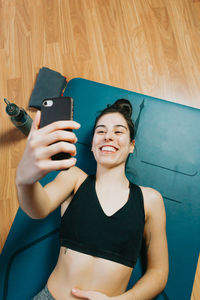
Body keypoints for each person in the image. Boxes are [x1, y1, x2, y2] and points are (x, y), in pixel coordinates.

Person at [16, 99, 168, 300]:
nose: (108, 137)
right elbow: (37, 209)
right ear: (93, 144)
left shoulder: (150, 200)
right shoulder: (74, 178)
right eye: (101, 131)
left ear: (131, 146)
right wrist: (24, 180)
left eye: (118, 131)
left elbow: (158, 273)